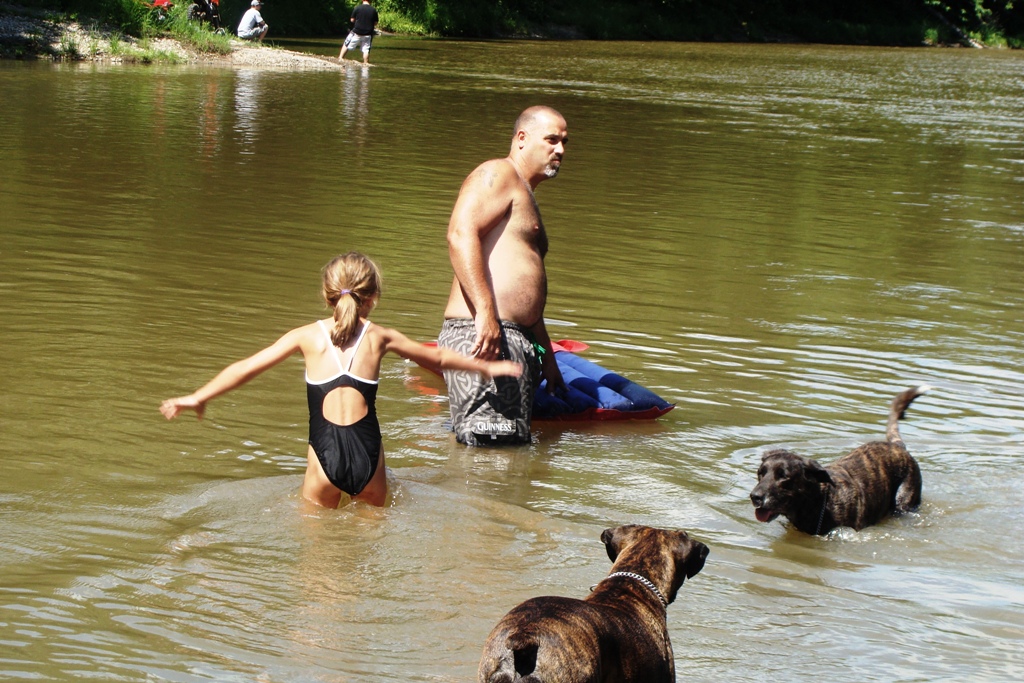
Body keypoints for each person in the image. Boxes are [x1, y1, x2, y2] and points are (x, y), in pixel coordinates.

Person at [160, 252, 522, 508]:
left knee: (319, 560)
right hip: (368, 457)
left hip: (323, 457)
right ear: (373, 297)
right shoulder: (380, 337)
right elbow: (439, 358)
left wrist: (199, 396)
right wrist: (487, 368)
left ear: (327, 296)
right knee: (370, 551)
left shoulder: (306, 336)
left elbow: (247, 368)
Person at [439, 106, 569, 446]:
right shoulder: (498, 173)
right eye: (551, 140)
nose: (560, 150)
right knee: (491, 455)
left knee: (504, 452)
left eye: (564, 142)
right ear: (522, 138)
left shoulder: (523, 192)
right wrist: (485, 315)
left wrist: (547, 358)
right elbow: (459, 234)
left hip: (510, 338)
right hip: (485, 335)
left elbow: (526, 296)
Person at [338, 0, 379, 65]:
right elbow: (375, 23)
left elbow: (352, 20)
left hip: (357, 31)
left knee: (346, 43)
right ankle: (366, 63)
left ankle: (340, 57)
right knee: (366, 50)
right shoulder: (373, 10)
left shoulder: (357, 8)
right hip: (368, 33)